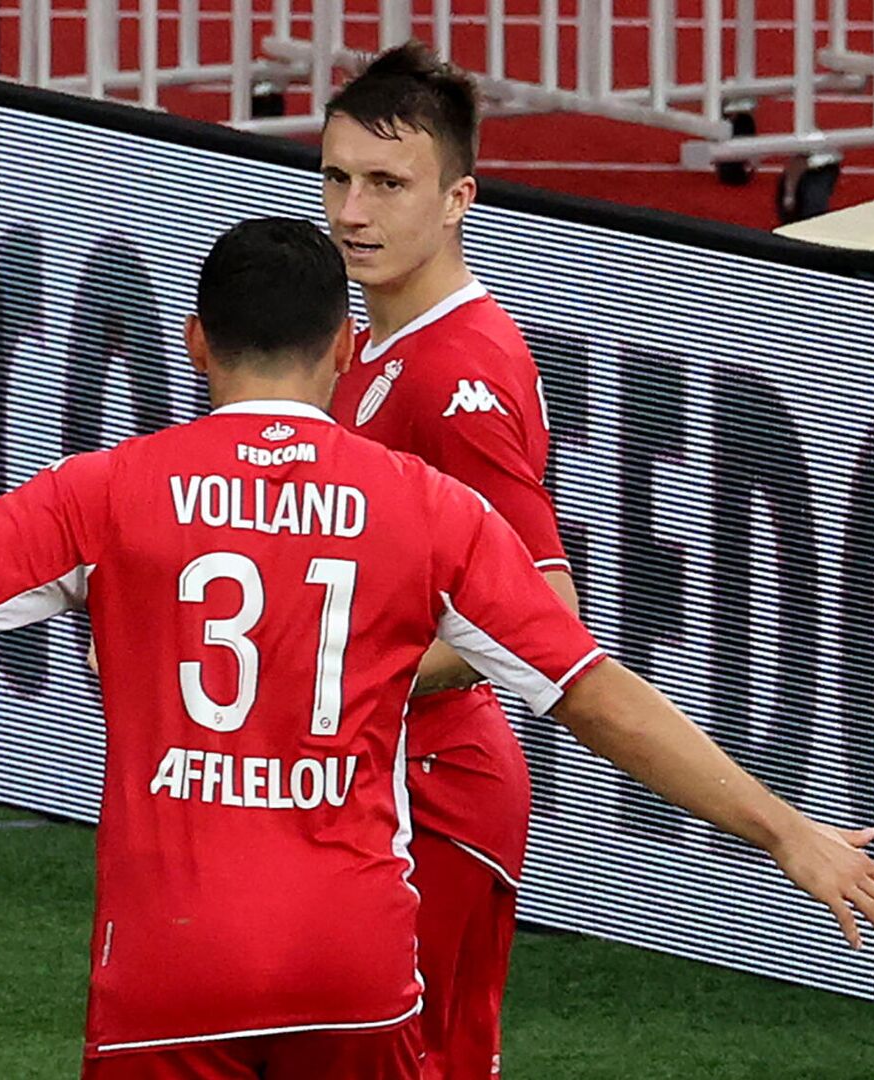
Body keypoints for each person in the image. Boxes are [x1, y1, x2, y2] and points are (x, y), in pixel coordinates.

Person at [0, 218, 874, 1080]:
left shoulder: (110, 491)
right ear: (341, 349)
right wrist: (781, 828)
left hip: (169, 959)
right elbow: (596, 695)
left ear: (194, 343)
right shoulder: (428, 512)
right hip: (351, 958)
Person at [320, 42, 580, 1076]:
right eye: (338, 178)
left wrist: (343, 678)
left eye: (387, 184)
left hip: (438, 780)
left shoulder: (457, 373)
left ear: (459, 196)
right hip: (382, 771)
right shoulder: (371, 344)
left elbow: (544, 606)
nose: (352, 211)